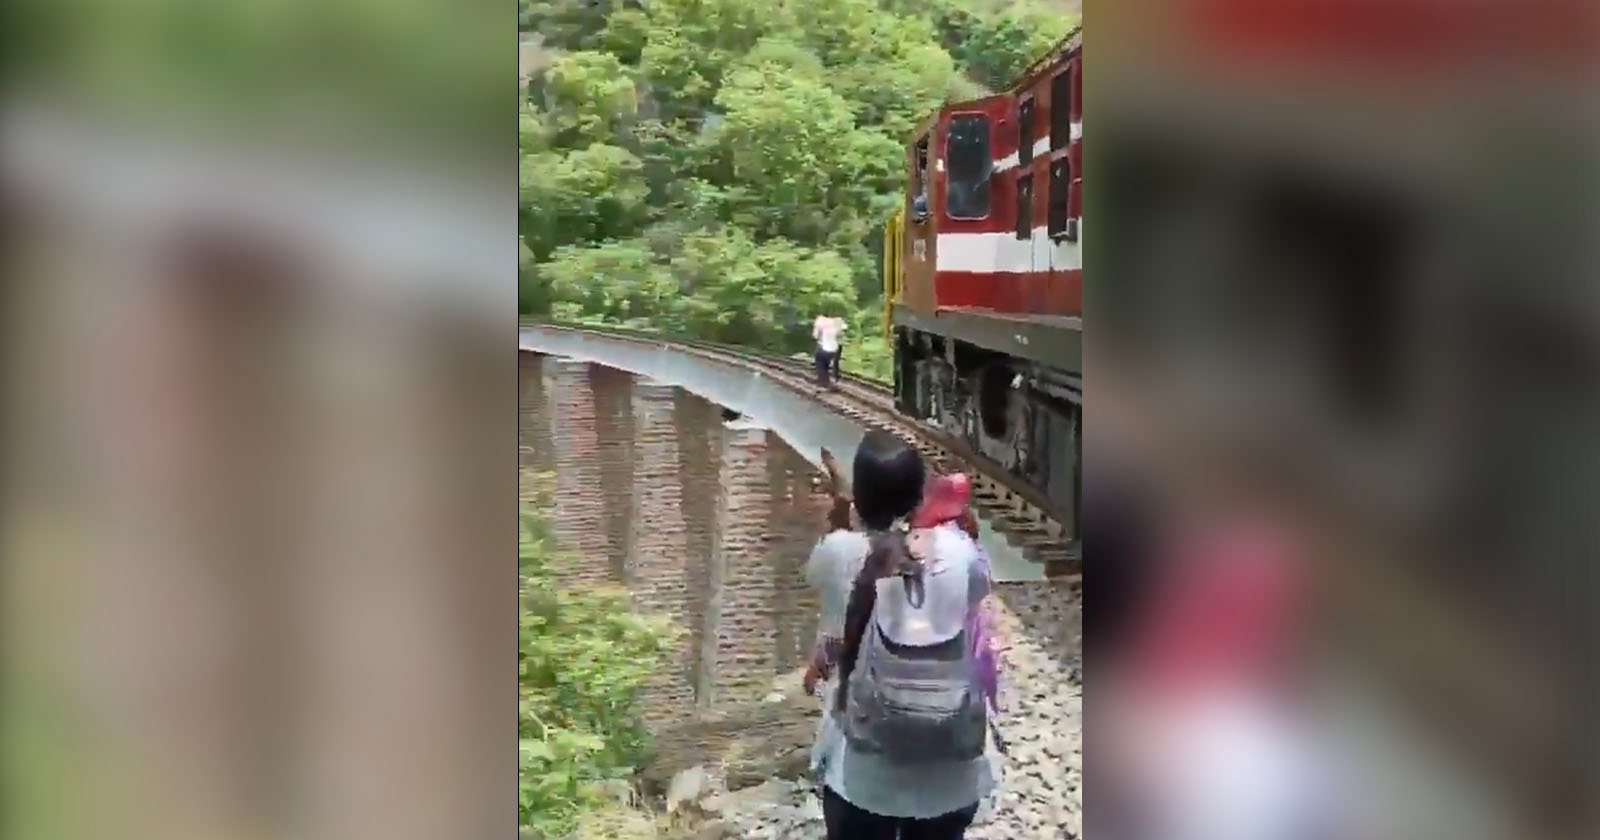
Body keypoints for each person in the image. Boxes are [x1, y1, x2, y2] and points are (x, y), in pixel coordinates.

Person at [804, 432, 995, 840]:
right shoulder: (958, 550)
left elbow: (833, 623)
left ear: (860, 498)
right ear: (919, 495)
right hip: (951, 775)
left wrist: (840, 517)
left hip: (863, 781)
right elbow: (977, 594)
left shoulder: (837, 552)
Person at [813, 313, 846, 388]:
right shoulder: (839, 320)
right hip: (836, 347)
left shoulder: (820, 320)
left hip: (822, 346)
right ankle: (835, 378)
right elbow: (842, 334)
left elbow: (815, 336)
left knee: (820, 362)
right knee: (835, 362)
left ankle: (823, 381)